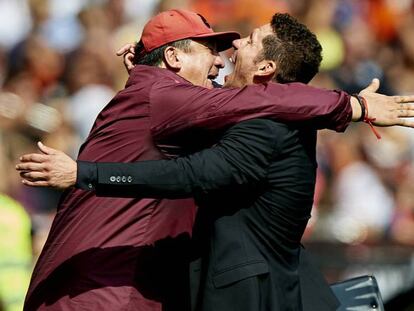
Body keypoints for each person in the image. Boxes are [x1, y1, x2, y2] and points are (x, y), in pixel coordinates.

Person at [17, 9, 414, 311]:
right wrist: (354, 105)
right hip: (102, 291)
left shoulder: (260, 121)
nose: (226, 55)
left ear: (266, 68)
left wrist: (86, 171)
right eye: (210, 50)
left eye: (247, 42)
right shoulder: (167, 98)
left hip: (147, 289)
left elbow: (201, 164)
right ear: (173, 58)